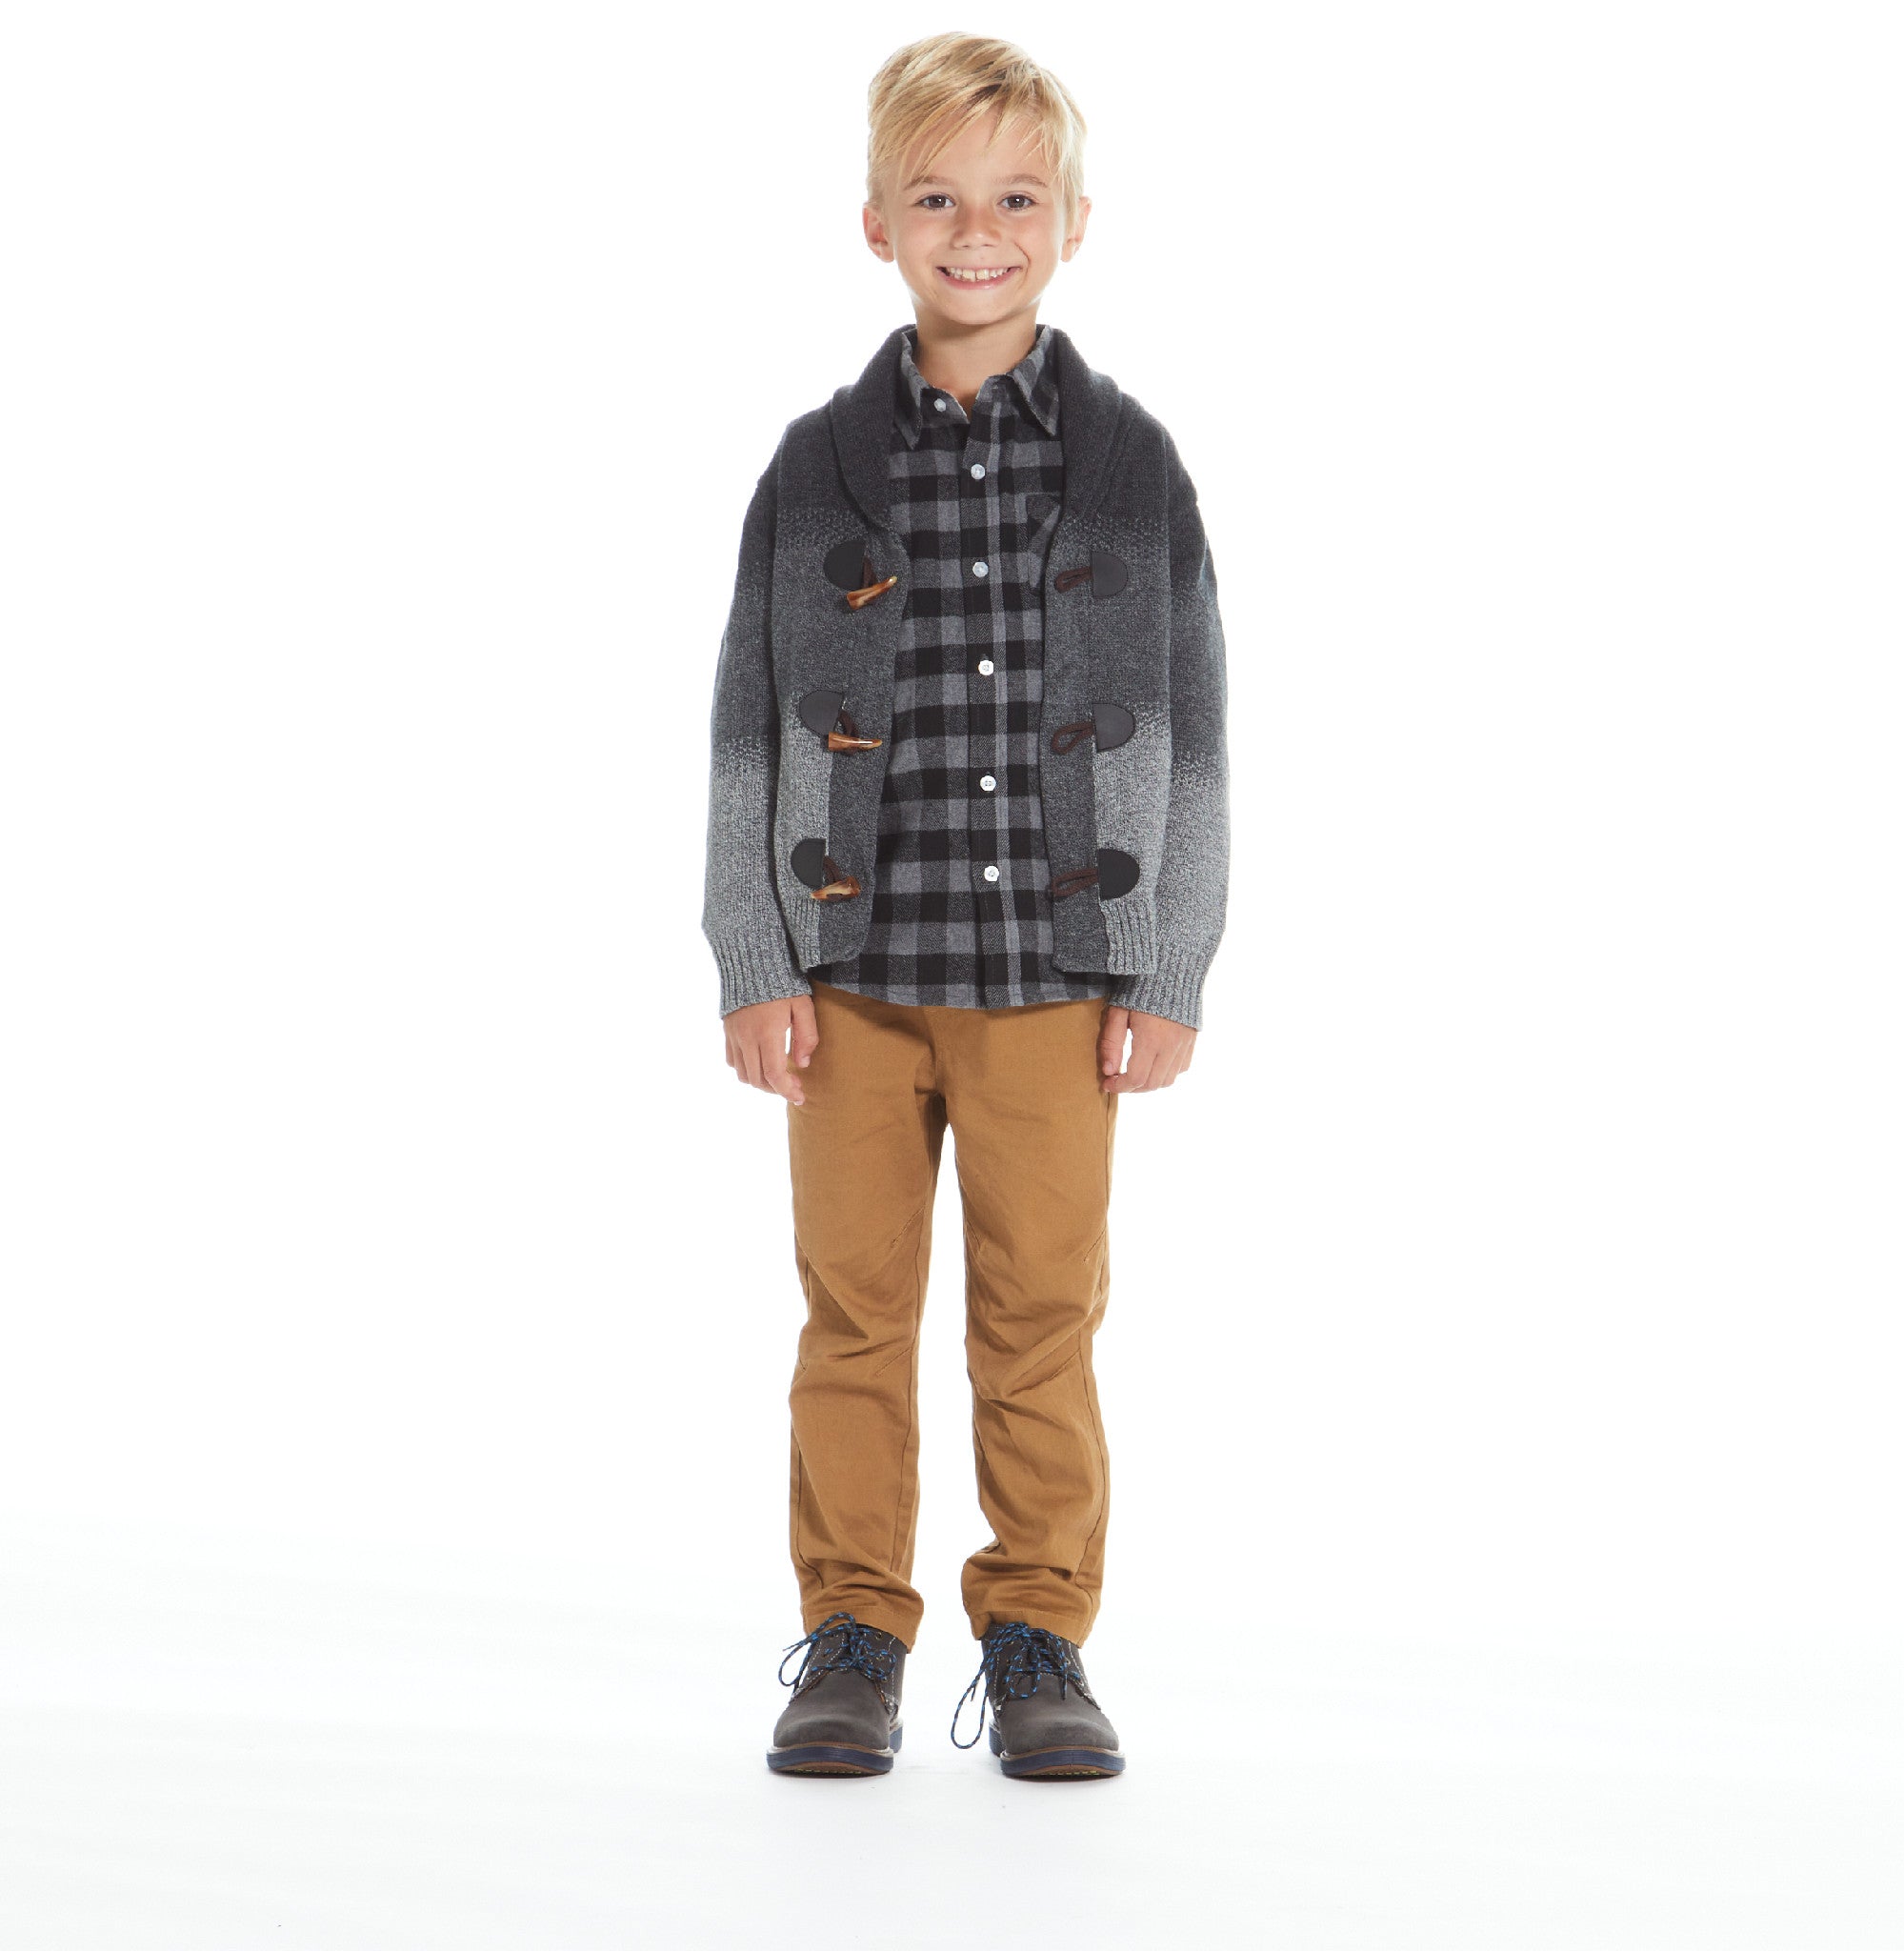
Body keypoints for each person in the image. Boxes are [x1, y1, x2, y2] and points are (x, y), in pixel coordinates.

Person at [700, 30, 1231, 1780]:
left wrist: (1168, 964)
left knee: (1041, 1318)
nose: (976, 232)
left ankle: (1038, 1641)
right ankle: (853, 1634)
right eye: (936, 198)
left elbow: (1198, 736)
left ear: (1073, 221)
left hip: (1055, 983)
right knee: (853, 1315)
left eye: (1014, 198)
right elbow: (745, 725)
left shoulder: (1135, 465)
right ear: (877, 223)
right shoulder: (815, 466)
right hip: (850, 977)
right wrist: (753, 952)